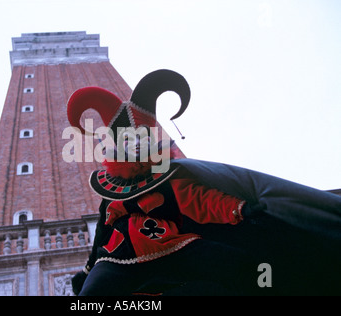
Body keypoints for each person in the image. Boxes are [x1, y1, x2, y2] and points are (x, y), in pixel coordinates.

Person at [67, 70, 341, 295]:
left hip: (173, 245)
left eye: (142, 138)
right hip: (118, 255)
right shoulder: (112, 194)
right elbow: (103, 232)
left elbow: (200, 201)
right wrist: (90, 269)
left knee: (241, 266)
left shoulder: (169, 177)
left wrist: (240, 209)